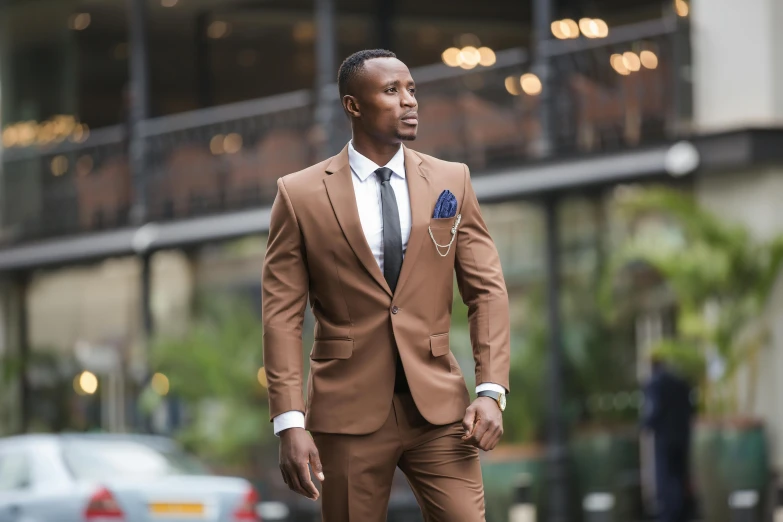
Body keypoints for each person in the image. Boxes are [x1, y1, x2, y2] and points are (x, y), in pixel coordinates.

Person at [261, 49, 510, 521]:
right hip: (348, 414)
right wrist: (289, 422)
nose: (409, 101)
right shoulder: (299, 195)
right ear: (353, 105)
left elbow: (487, 292)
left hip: (440, 411)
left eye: (412, 90)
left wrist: (491, 390)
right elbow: (281, 317)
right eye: (392, 91)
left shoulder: (451, 180)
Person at [642, 356, 695, 522]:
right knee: (680, 475)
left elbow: (654, 409)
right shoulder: (681, 382)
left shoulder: (655, 383)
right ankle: (681, 512)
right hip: (682, 437)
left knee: (665, 477)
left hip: (664, 439)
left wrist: (645, 425)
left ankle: (668, 515)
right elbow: (691, 408)